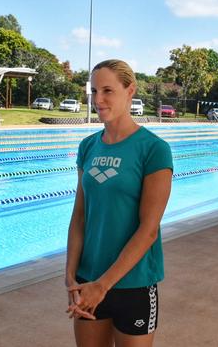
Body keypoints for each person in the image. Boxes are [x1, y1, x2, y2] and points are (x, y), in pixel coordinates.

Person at [65, 59, 173, 347]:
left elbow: (149, 229)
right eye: (94, 91)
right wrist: (70, 275)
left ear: (130, 90)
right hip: (88, 280)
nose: (98, 99)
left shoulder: (154, 149)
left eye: (108, 91)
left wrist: (104, 285)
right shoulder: (88, 146)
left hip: (134, 283)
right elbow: (79, 217)